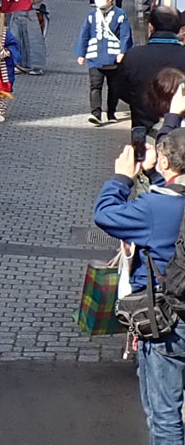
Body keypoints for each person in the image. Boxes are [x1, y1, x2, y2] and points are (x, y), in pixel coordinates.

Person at [92, 131, 185, 444]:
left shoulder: (154, 208)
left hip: (167, 322)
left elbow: (105, 215)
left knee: (165, 415)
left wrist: (121, 178)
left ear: (166, 161)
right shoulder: (166, 202)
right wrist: (156, 170)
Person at [116, 6, 185, 129]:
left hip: (143, 126)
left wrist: (139, 102)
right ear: (179, 29)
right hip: (180, 132)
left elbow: (119, 88)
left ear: (151, 27)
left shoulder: (133, 56)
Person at [74, 0, 133, 126]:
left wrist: (122, 52)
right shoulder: (92, 15)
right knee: (95, 86)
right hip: (95, 57)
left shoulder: (120, 15)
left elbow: (125, 35)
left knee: (114, 88)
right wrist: (81, 54)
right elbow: (84, 34)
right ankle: (96, 114)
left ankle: (111, 112)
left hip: (113, 58)